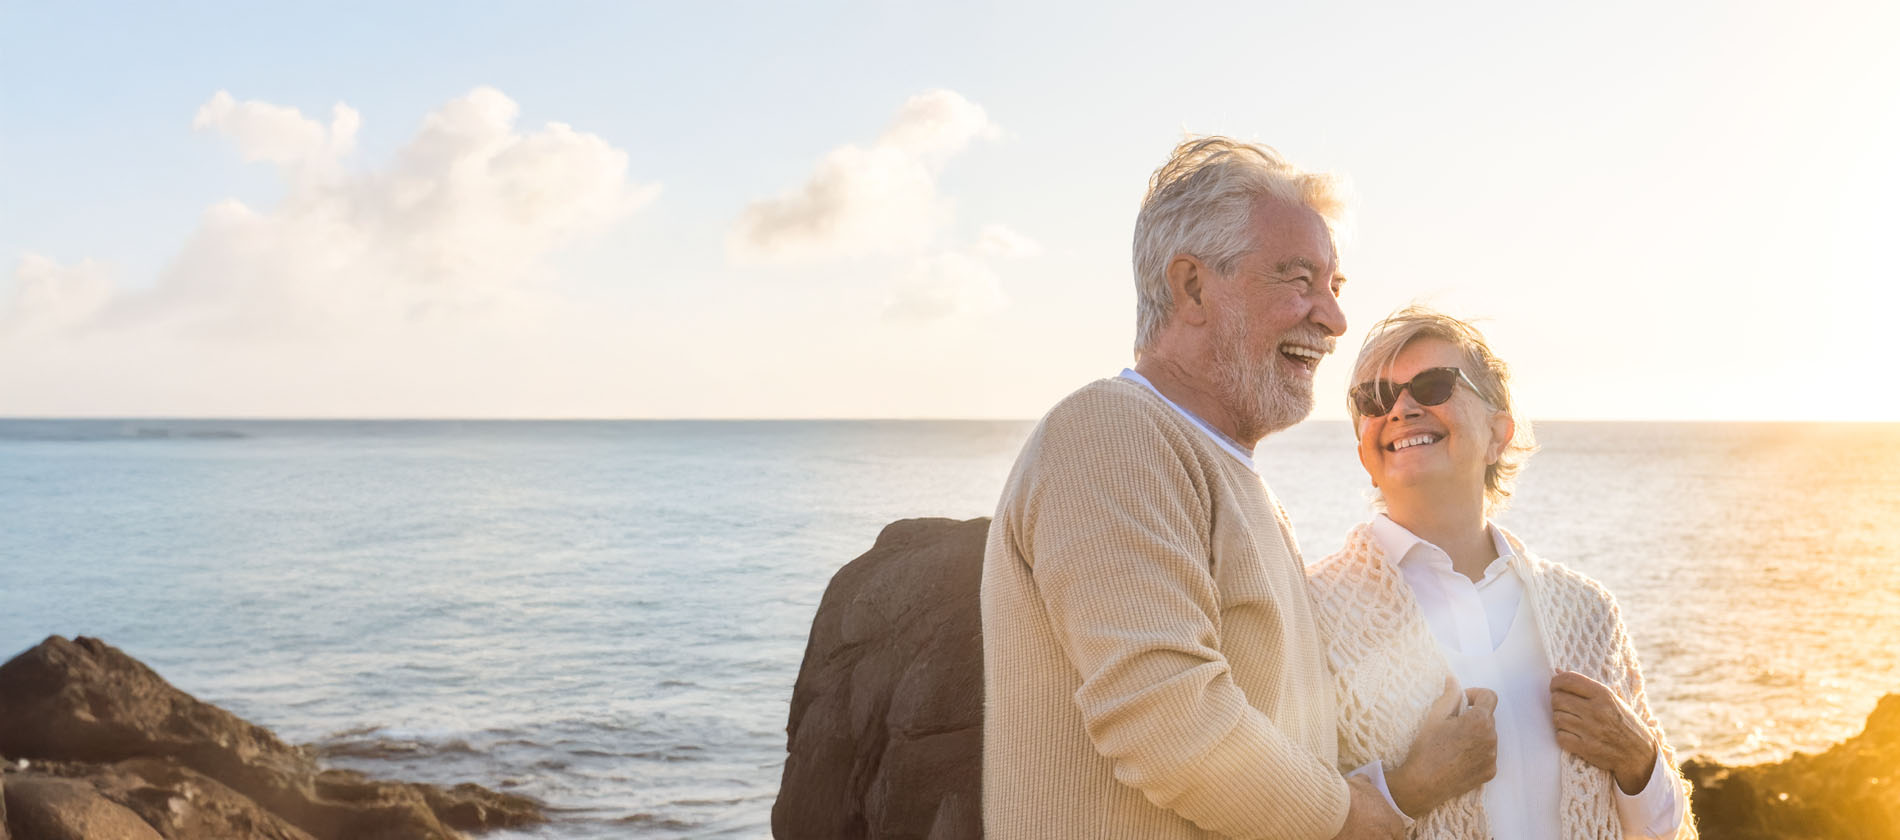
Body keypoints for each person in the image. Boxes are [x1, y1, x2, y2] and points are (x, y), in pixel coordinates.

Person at [981, 137, 1411, 839]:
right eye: (1298, 280)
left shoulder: (1230, 476)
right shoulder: (1111, 433)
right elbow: (1168, 722)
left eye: (1335, 288)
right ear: (1192, 288)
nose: (1332, 319)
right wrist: (1352, 820)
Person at [1307, 305, 1697, 839]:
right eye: (1373, 399)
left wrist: (1640, 760)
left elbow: (1667, 833)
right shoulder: (1311, 609)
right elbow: (1279, 816)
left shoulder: (1587, 612)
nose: (1399, 409)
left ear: (1498, 433)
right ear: (1363, 451)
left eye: (1433, 384)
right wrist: (1406, 788)